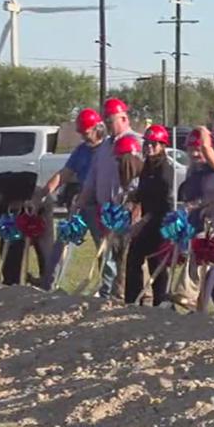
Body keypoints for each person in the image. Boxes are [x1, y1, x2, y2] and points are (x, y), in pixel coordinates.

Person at [74, 98, 140, 298]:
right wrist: (82, 199)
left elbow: (140, 178)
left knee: (125, 258)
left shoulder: (136, 142)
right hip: (105, 211)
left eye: (111, 121)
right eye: (106, 122)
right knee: (106, 255)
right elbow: (93, 176)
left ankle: (126, 296)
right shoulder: (104, 147)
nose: (108, 126)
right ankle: (109, 292)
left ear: (123, 117)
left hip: (126, 210)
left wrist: (136, 205)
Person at [39, 108, 106, 289]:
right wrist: (45, 191)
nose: (84, 136)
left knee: (104, 249)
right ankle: (49, 285)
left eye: (86, 132)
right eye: (82, 133)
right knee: (61, 243)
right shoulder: (81, 151)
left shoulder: (108, 149)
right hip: (81, 205)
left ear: (97, 128)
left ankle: (108, 289)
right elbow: (65, 174)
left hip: (101, 207)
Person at [178, 127, 214, 317]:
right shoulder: (193, 171)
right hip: (196, 223)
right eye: (191, 149)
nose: (194, 153)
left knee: (204, 262)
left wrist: (202, 132)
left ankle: (197, 307)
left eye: (198, 149)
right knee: (212, 270)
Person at [123, 125, 176, 306]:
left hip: (161, 221)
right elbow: (145, 192)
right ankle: (132, 301)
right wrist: (133, 197)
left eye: (154, 144)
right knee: (133, 258)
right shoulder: (147, 166)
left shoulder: (165, 168)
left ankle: (161, 304)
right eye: (147, 143)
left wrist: (143, 221)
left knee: (156, 263)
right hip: (148, 221)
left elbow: (163, 200)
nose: (150, 147)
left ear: (162, 146)